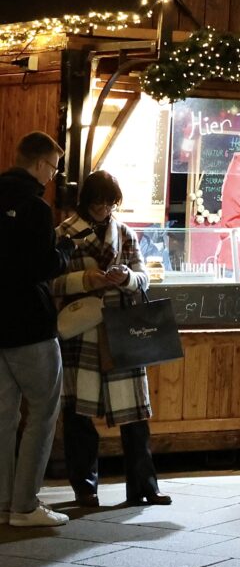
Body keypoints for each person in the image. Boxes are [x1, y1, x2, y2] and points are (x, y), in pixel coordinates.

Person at [54, 171, 169, 507]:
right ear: (85, 201)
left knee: (133, 414)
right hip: (82, 330)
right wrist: (85, 280)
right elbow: (53, 285)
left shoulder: (126, 233)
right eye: (98, 201)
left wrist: (128, 276)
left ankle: (144, 486)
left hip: (122, 328)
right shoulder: (64, 234)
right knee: (79, 413)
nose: (104, 208)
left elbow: (144, 278)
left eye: (110, 202)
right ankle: (85, 488)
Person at [0, 132, 74, 528]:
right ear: (40, 164)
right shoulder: (36, 207)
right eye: (53, 168)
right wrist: (64, 253)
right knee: (43, 410)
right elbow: (41, 266)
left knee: (3, 416)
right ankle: (24, 506)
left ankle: (1, 504)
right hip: (29, 324)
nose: (53, 176)